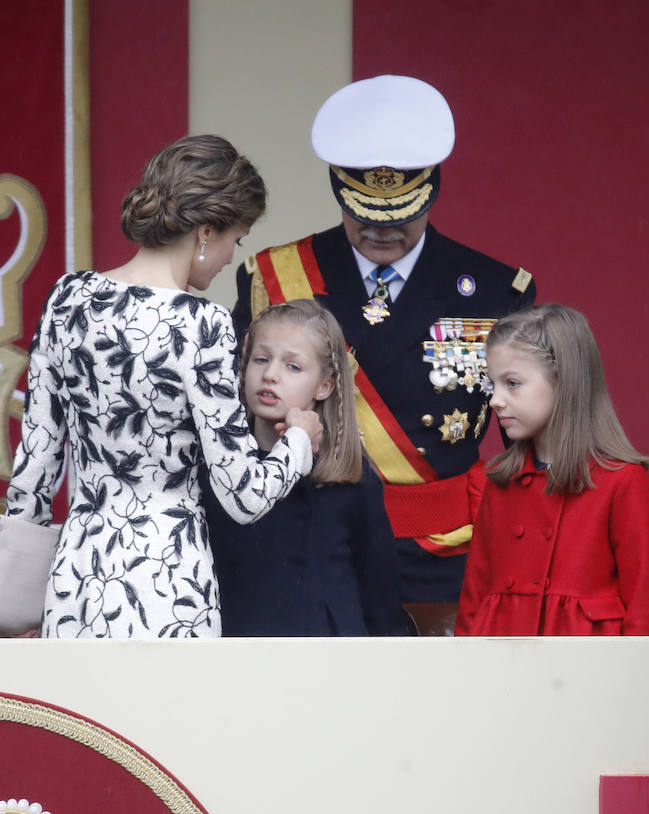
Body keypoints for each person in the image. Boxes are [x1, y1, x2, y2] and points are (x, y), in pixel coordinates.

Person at [232, 75, 536, 628]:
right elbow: (236, 423)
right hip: (312, 541)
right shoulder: (274, 278)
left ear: (432, 191)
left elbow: (531, 442)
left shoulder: (494, 290)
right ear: (338, 190)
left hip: (440, 553)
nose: (381, 230)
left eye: (400, 216)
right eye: (365, 215)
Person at [4, 135, 322, 639]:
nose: (229, 258)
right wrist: (300, 440)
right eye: (235, 240)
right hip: (169, 583)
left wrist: (16, 595)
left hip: (77, 580)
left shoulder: (68, 298)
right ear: (205, 231)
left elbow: (35, 469)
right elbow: (244, 495)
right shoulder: (203, 324)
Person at [203, 300, 410, 636]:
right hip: (236, 648)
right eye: (261, 359)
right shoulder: (219, 465)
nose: (270, 374)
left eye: (293, 367)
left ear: (324, 386)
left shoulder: (350, 477)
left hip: (326, 651)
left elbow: (378, 590)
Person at [455, 304, 649, 636]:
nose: (495, 400)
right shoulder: (500, 481)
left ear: (563, 381)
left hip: (585, 664)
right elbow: (473, 602)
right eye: (493, 384)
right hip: (502, 660)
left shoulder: (622, 482)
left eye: (512, 383)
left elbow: (642, 613)